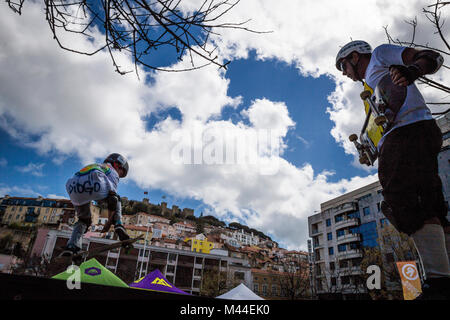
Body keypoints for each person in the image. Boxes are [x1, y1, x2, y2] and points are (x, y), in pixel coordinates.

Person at [335, 40, 450, 299]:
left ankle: (439, 283)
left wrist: (413, 70)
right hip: (412, 134)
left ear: (354, 57)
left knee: (403, 201)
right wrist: (369, 148)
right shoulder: (369, 90)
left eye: (343, 65)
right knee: (431, 206)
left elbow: (430, 57)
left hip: (407, 134)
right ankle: (444, 277)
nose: (344, 73)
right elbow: (382, 119)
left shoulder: (380, 55)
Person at [61, 153, 130, 257]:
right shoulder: (112, 170)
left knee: (83, 220)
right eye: (121, 172)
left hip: (73, 187)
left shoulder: (94, 165)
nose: (120, 175)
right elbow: (112, 199)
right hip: (96, 185)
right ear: (116, 165)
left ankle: (72, 246)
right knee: (117, 199)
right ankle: (119, 225)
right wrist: (109, 222)